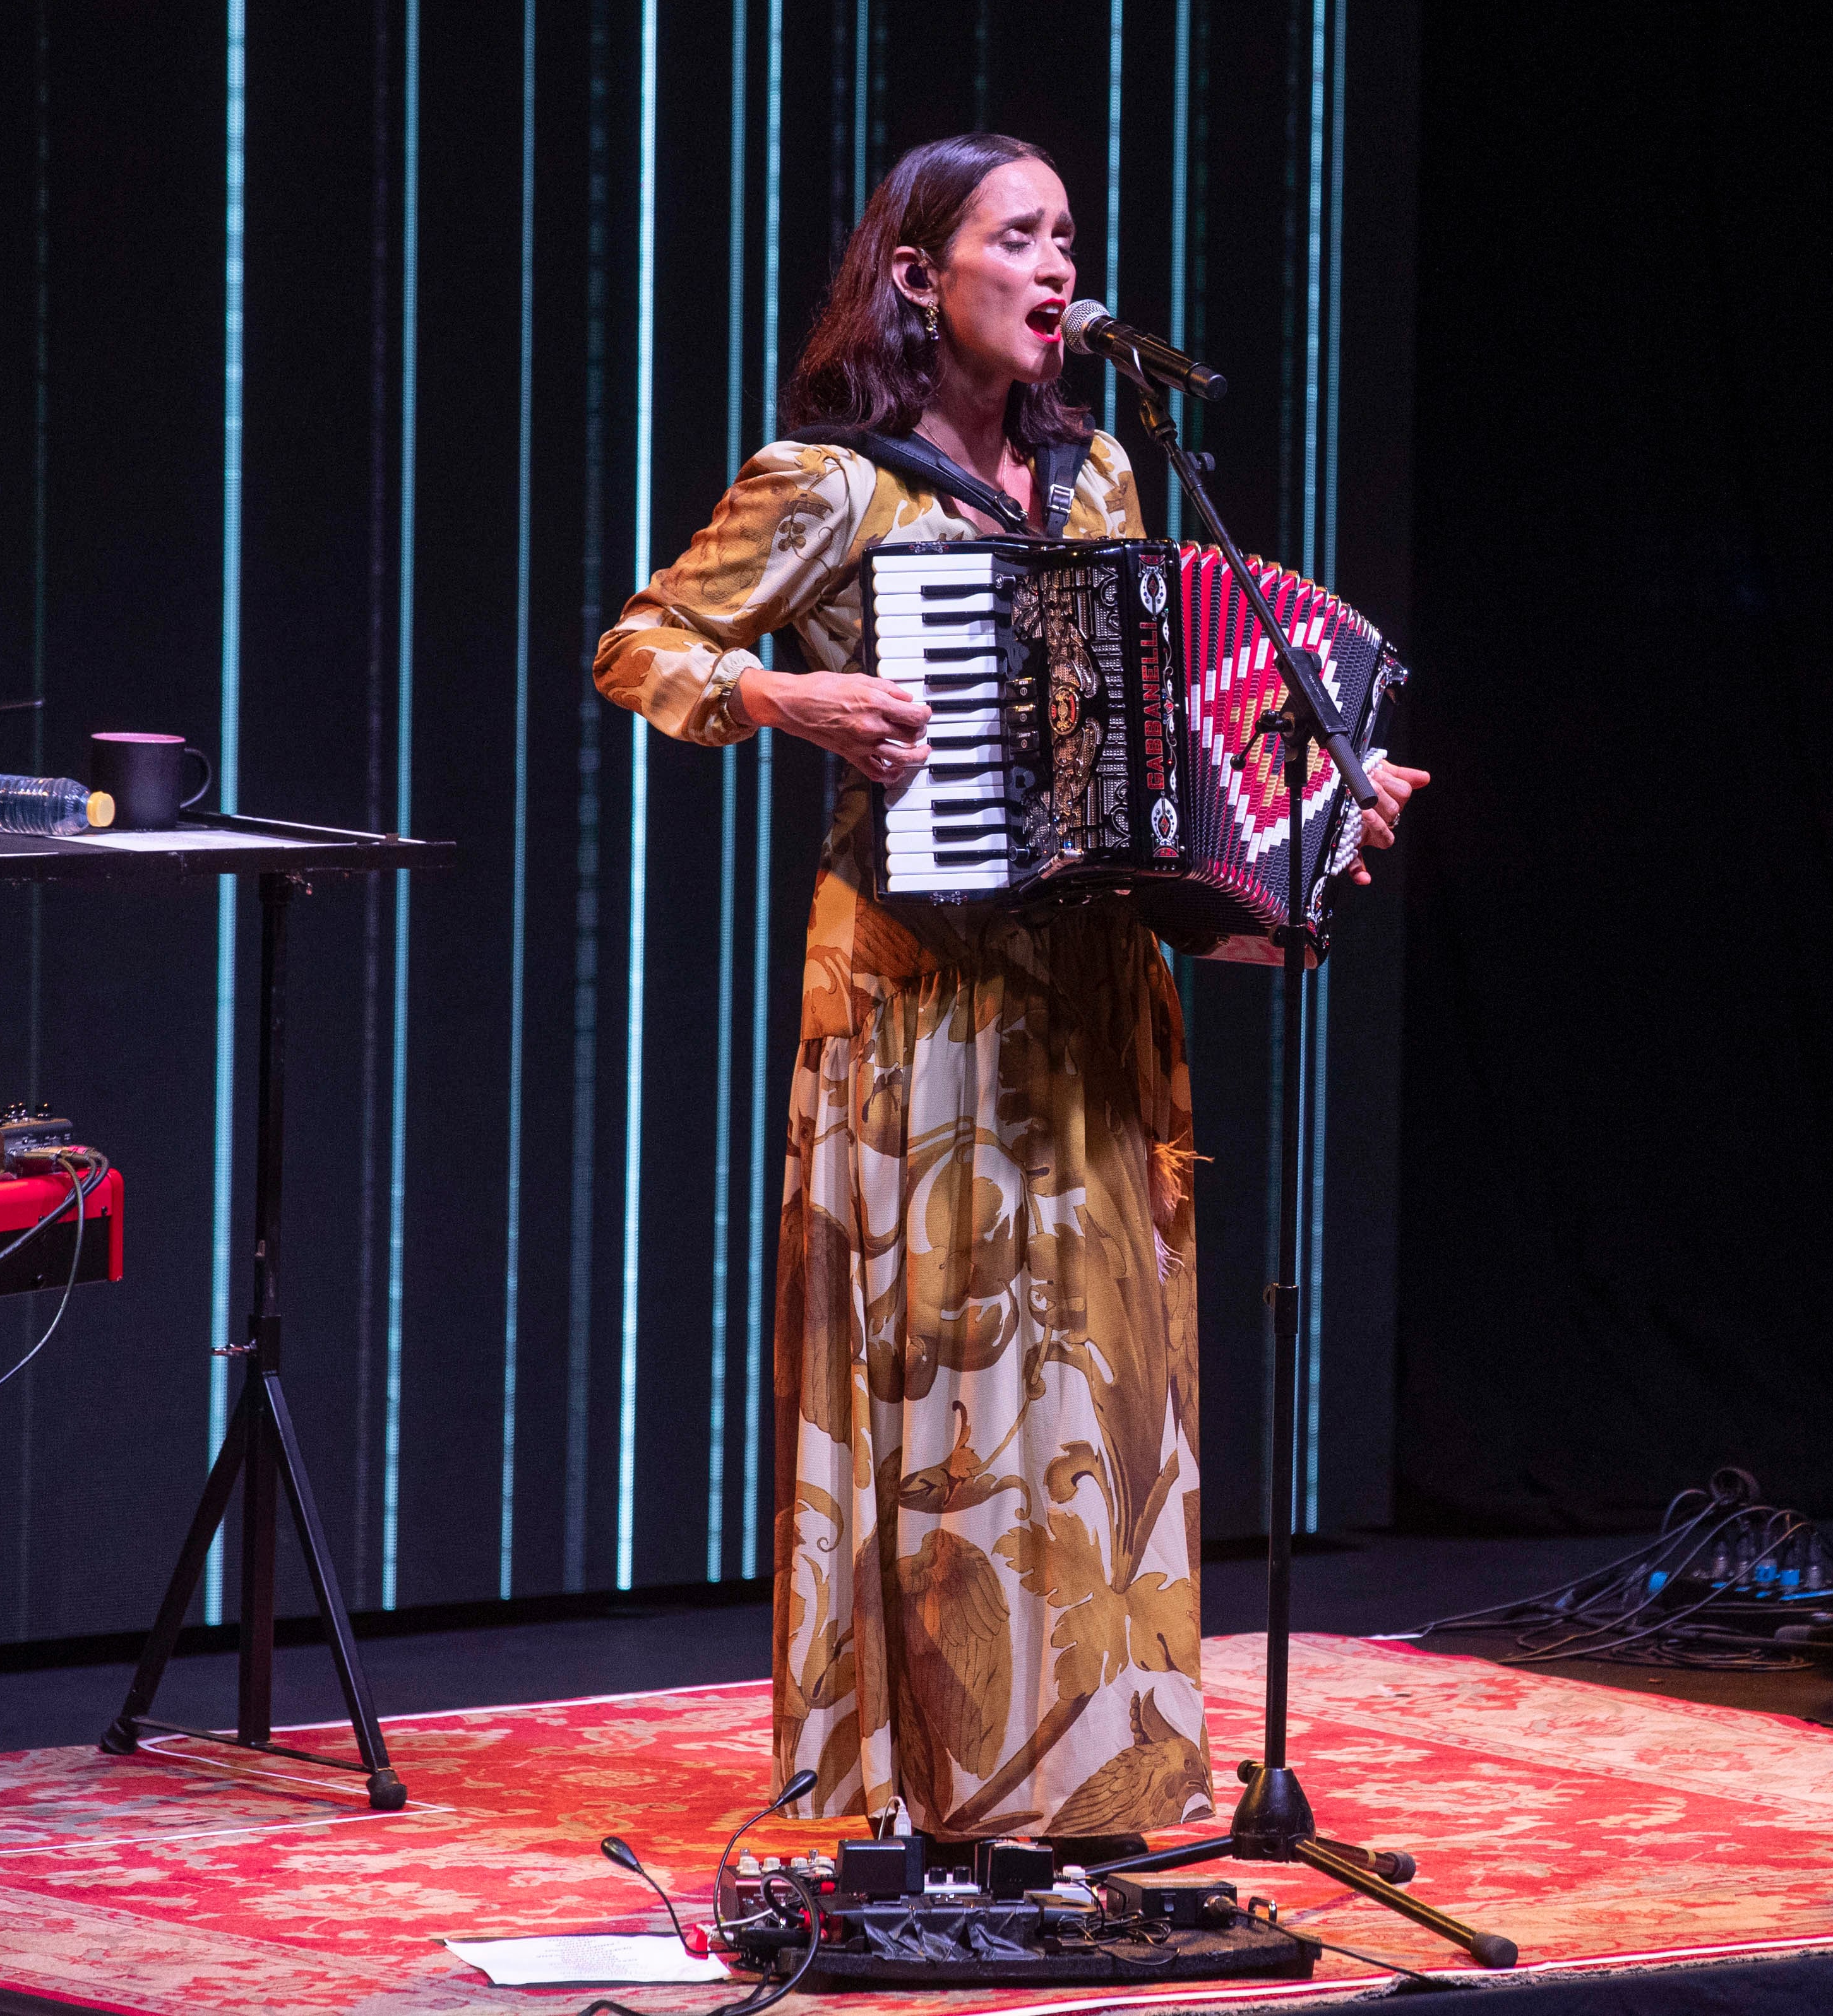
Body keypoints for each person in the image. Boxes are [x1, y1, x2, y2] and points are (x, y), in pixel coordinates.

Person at [591, 131, 1428, 1851]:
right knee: (941, 1374)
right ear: (920, 275)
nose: (1059, 269)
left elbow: (1167, 732)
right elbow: (641, 646)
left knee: (1096, 1381)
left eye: (1068, 240)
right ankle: (921, 1769)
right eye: (1019, 238)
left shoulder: (1109, 474)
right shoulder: (830, 483)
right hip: (919, 982)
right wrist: (794, 704)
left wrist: (1324, 792)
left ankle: (1090, 1778)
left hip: (1086, 981)